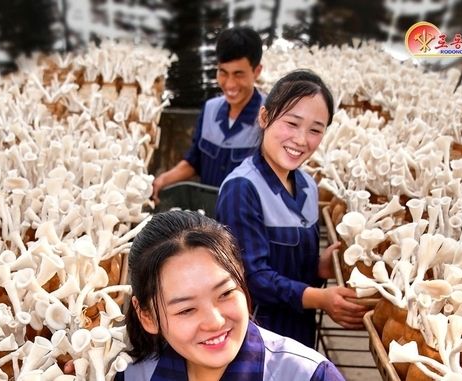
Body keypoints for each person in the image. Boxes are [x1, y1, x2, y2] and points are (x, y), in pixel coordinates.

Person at [215, 70, 368, 349]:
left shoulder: (308, 187)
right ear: (264, 118)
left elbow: (291, 267)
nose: (301, 139)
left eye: (315, 130)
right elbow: (253, 277)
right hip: (257, 338)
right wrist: (320, 298)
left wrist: (317, 268)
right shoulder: (241, 188)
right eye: (292, 123)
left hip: (299, 333)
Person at [117, 210, 345, 380]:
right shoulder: (129, 374)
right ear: (147, 316)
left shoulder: (310, 376)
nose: (215, 321)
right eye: (186, 309)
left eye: (225, 293)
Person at [151, 26, 265, 203]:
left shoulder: (268, 119)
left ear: (257, 71)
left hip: (244, 218)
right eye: (223, 73)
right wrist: (162, 180)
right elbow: (194, 162)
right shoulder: (210, 109)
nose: (230, 84)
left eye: (238, 74)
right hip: (208, 214)